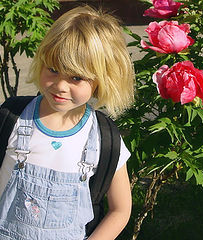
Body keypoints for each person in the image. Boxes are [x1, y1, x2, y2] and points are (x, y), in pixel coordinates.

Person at [0, 5, 134, 240]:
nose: (60, 85)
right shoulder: (11, 118)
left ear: (101, 80)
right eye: (53, 70)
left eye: (76, 77)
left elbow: (120, 209)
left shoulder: (104, 139)